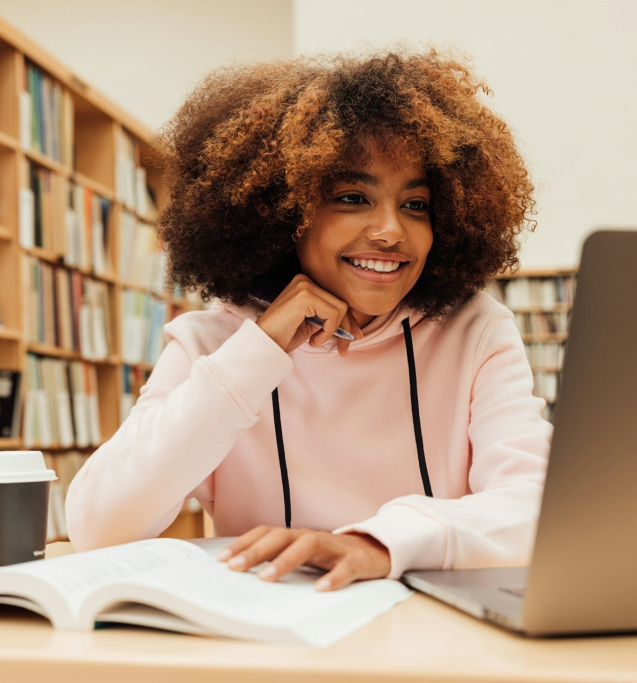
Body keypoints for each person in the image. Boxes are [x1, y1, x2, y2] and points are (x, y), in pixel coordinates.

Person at [65, 49, 552, 591]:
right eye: (352, 198)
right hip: (272, 639)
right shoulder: (213, 342)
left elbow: (537, 509)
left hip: (432, 639)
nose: (391, 230)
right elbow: (98, 527)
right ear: (284, 213)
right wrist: (258, 353)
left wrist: (375, 544)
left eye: (415, 205)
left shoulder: (476, 331)